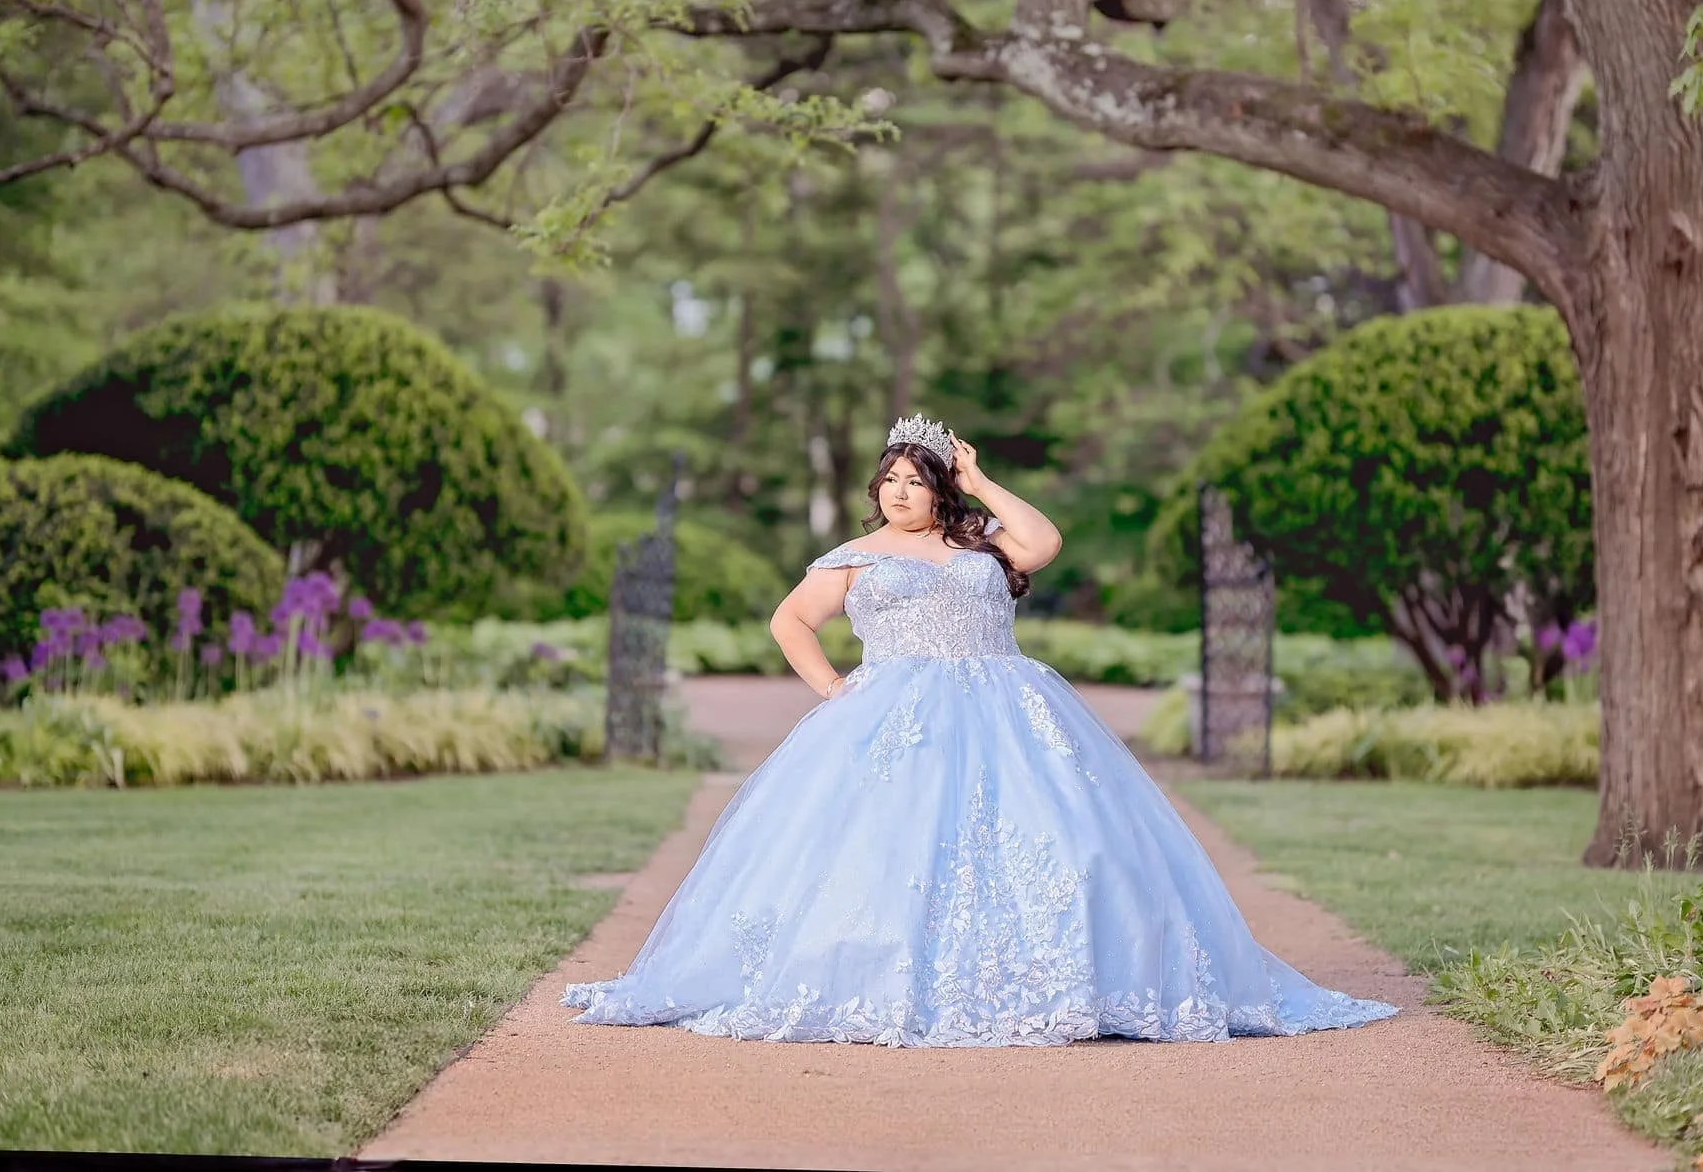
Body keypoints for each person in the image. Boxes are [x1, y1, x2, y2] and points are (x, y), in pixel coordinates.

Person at [561, 413, 1397, 1046]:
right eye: (889, 479)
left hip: (1009, 709)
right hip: (894, 716)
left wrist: (982, 479)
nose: (899, 492)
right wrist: (834, 689)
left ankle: (1070, 979)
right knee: (885, 851)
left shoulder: (981, 542)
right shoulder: (854, 555)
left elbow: (1046, 540)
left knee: (1066, 845)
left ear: (940, 490)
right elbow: (790, 620)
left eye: (915, 480)